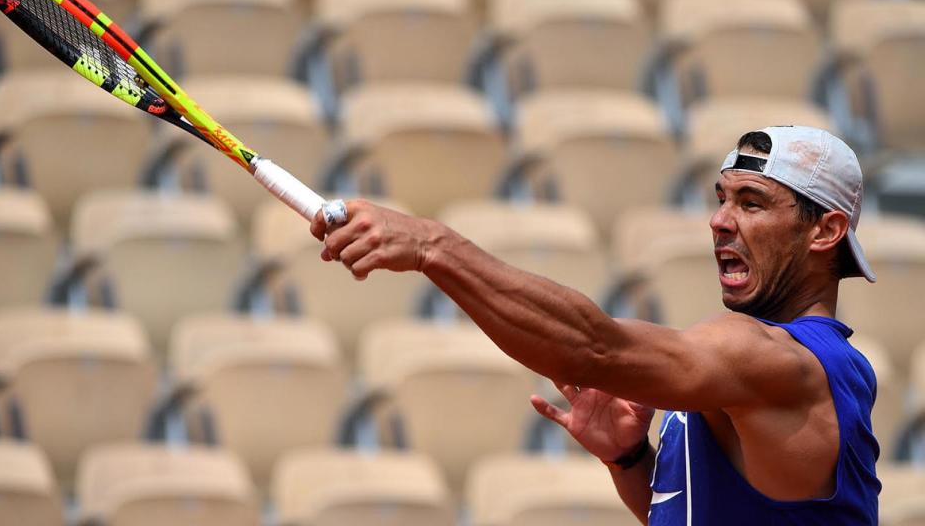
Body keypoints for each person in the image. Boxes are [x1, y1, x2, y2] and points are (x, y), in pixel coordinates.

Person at [310, 125, 881, 525]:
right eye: (722, 199)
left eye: (751, 203)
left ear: (825, 232)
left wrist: (432, 246)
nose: (719, 220)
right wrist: (631, 461)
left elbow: (593, 349)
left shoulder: (782, 360)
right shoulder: (759, 369)